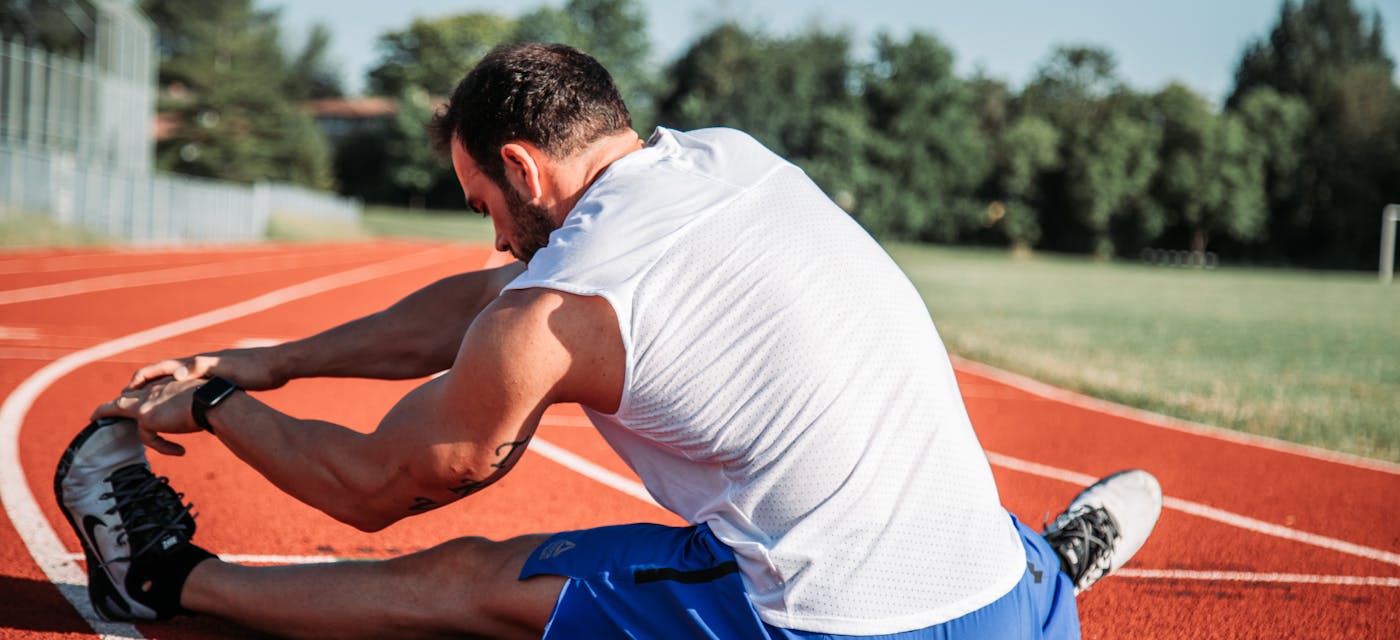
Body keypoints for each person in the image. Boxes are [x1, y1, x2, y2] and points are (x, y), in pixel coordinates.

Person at [57, 43, 1162, 639]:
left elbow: (373, 485)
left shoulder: (558, 310)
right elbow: (490, 299)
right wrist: (275, 359)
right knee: (916, 492)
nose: (495, 236)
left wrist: (217, 405)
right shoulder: (726, 160)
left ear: (522, 168)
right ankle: (1050, 568)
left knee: (464, 582)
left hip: (820, 625)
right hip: (996, 598)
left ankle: (167, 582)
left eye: (483, 202)